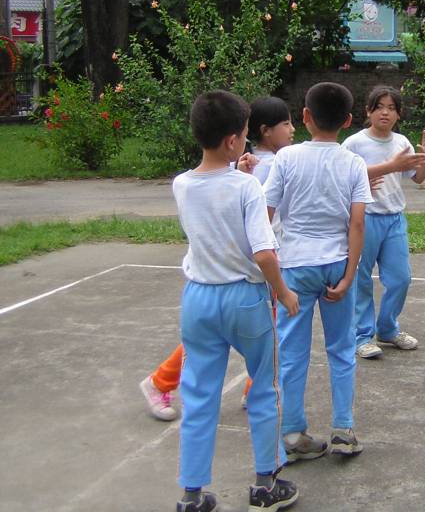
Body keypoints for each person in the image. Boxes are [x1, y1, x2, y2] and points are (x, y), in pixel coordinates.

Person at [172, 90, 299, 511]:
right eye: (244, 135)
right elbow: (263, 253)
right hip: (244, 299)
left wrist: (234, 169)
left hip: (198, 298)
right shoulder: (246, 186)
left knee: (198, 394)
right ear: (232, 141)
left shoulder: (181, 184)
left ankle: (192, 495)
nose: (246, 142)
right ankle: (266, 484)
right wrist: (283, 292)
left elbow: (213, 199)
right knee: (265, 387)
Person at [139, 96, 295, 420]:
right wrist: (282, 289)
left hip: (240, 273)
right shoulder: (262, 169)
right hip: (246, 273)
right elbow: (240, 211)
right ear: (261, 131)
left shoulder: (230, 171)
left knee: (229, 340)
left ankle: (252, 390)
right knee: (243, 339)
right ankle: (162, 381)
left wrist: (237, 168)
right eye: (286, 123)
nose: (292, 129)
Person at [264, 82, 372, 462]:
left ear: (306, 116)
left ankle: (293, 433)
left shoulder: (286, 157)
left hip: (294, 265)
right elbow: (357, 224)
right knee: (341, 348)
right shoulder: (354, 163)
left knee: (293, 351)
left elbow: (266, 214)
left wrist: (270, 265)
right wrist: (350, 275)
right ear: (348, 120)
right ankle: (343, 428)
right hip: (337, 263)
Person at [342, 85, 425, 359]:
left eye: (391, 108)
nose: (385, 113)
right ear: (368, 111)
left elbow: (418, 178)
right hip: (364, 218)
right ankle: (362, 336)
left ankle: (387, 328)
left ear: (398, 114)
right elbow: (343, 176)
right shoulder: (354, 144)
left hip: (394, 219)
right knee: (361, 280)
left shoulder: (401, 142)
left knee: (401, 278)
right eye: (379, 107)